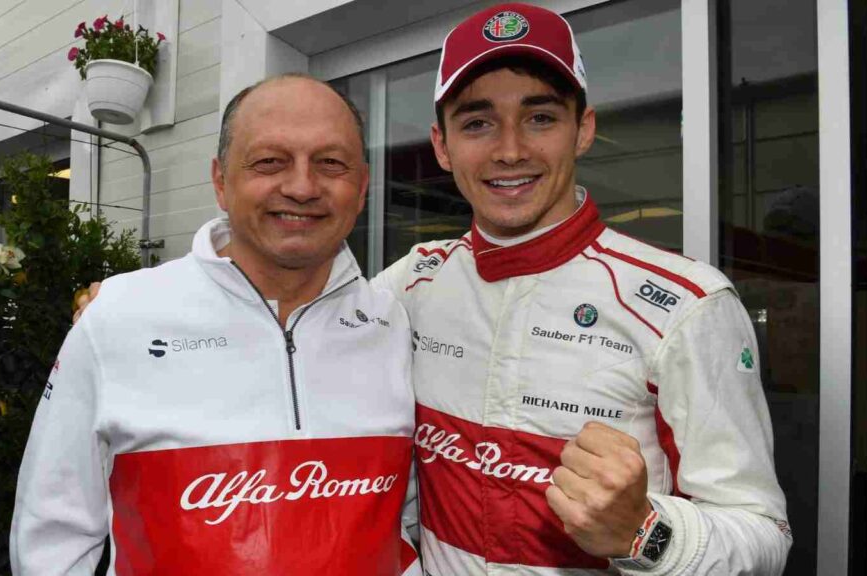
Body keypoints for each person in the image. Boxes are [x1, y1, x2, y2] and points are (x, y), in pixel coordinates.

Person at [73, 3, 792, 574]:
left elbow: (763, 534)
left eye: (540, 116)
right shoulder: (413, 281)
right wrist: (148, 307)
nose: (510, 149)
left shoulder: (687, 305)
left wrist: (645, 532)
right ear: (443, 145)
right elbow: (289, 303)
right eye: (479, 122)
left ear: (584, 129)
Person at [11, 75, 421, 576]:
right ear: (221, 181)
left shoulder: (392, 321)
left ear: (362, 187)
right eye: (270, 161)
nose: (301, 186)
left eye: (330, 163)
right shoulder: (118, 316)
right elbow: (51, 535)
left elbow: (410, 515)